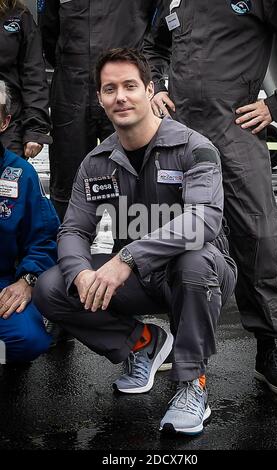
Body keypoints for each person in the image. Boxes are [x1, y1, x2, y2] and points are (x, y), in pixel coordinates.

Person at [34, 48, 237, 435]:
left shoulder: (194, 147)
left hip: (199, 277)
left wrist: (126, 256)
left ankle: (192, 383)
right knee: (52, 287)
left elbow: (204, 220)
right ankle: (142, 343)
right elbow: (74, 230)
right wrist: (80, 273)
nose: (120, 97)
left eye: (130, 86)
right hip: (140, 279)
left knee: (194, 261)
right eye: (110, 89)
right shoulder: (97, 161)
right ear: (99, 98)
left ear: (149, 90)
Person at [144, 0, 277, 396]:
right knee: (178, 240)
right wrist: (157, 87)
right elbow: (152, 48)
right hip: (180, 137)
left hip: (237, 133)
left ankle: (268, 350)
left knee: (258, 240)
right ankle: (184, 349)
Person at [40, 0, 161, 221]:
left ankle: (133, 250)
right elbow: (48, 31)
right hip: (71, 87)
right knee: (68, 181)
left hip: (125, 86)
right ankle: (71, 248)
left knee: (132, 179)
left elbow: (158, 30)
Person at [0, 80, 59, 363]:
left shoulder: (20, 174)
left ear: (4, 121)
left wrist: (28, 280)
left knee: (28, 341)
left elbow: (45, 238)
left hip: (3, 282)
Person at [0, 0, 51, 159]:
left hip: (8, 126)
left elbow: (34, 76)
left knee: (8, 181)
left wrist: (35, 129)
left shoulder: (19, 16)